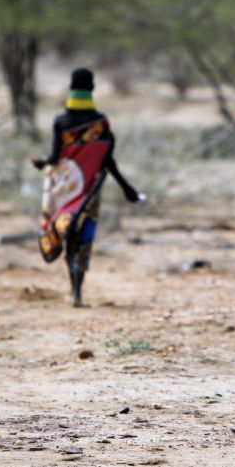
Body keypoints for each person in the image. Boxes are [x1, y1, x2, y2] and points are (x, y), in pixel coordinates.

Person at [32, 68, 142, 307]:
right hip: (89, 191)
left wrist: (41, 163)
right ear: (92, 89)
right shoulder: (101, 124)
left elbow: (54, 157)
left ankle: (72, 287)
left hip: (62, 192)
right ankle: (76, 292)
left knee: (66, 232)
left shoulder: (60, 121)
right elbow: (107, 160)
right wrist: (127, 188)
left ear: (71, 88)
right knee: (84, 238)